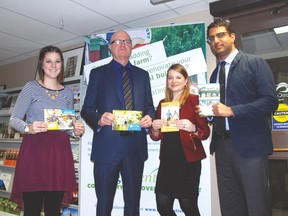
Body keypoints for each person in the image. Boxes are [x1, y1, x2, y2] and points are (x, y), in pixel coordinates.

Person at [205, 19, 279, 216]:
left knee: (257, 207)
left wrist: (233, 110)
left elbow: (270, 102)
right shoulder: (214, 74)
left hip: (251, 149)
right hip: (222, 148)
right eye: (211, 38)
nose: (216, 40)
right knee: (230, 208)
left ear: (232, 36)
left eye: (220, 35)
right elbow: (219, 111)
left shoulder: (255, 63)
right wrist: (209, 115)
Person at [80, 30, 155, 216]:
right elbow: (86, 109)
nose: (122, 44)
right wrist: (99, 119)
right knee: (104, 204)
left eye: (126, 41)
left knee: (132, 205)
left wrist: (150, 117)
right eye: (117, 41)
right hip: (107, 149)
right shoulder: (98, 74)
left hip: (134, 149)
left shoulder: (142, 75)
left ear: (131, 46)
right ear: (111, 47)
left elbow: (149, 106)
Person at [9, 46, 85, 216]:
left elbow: (66, 127)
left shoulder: (67, 93)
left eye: (57, 61)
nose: (53, 65)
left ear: (62, 65)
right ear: (41, 65)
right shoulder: (30, 88)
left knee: (53, 210)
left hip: (58, 156)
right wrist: (29, 128)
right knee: (32, 210)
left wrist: (76, 130)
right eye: (48, 61)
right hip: (35, 153)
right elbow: (14, 119)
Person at [149, 64, 210, 216]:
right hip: (167, 162)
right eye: (170, 78)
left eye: (178, 77)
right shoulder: (162, 104)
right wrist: (155, 129)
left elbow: (206, 132)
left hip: (188, 162)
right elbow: (155, 137)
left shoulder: (195, 101)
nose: (173, 81)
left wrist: (193, 128)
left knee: (188, 207)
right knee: (163, 207)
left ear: (186, 81)